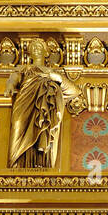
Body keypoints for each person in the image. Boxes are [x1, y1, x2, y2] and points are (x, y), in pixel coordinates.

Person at [6, 38, 81, 168]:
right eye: (33, 47)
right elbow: (14, 78)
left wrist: (57, 78)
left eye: (39, 46)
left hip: (45, 110)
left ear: (46, 53)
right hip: (24, 103)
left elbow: (74, 91)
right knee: (18, 125)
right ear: (29, 53)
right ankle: (16, 163)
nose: (36, 48)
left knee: (44, 130)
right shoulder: (24, 68)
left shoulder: (53, 73)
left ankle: (42, 162)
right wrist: (10, 87)